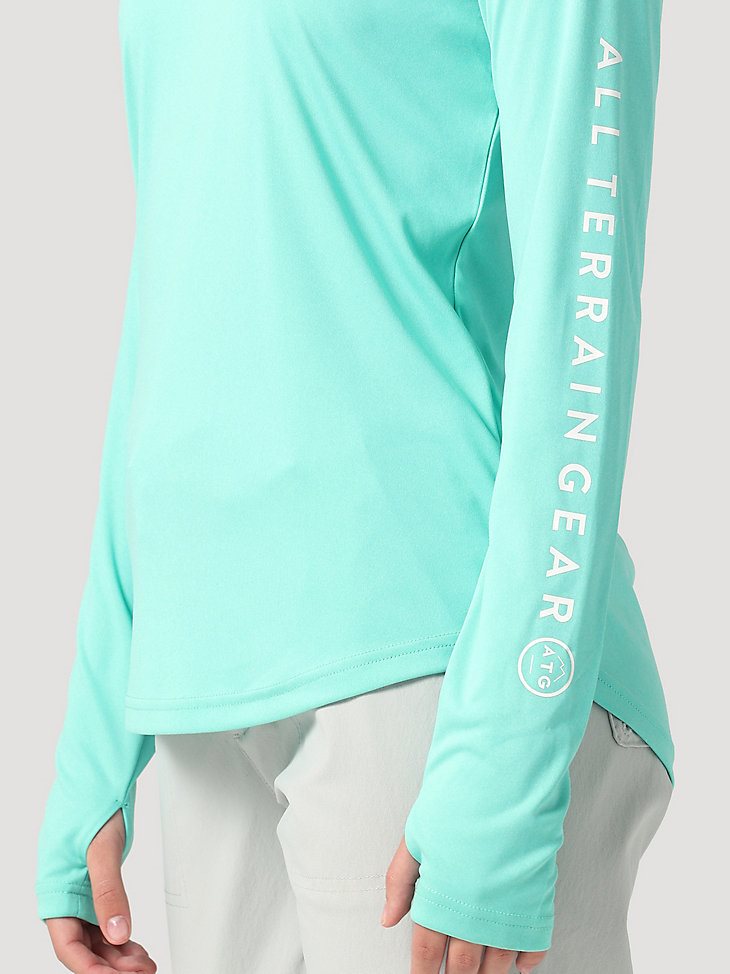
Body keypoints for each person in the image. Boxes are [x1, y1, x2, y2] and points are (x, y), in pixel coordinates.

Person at [36, 0, 674, 972]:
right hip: (204, 683)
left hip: (438, 668)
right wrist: (96, 731)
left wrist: (507, 755)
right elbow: (175, 286)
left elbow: (582, 312)